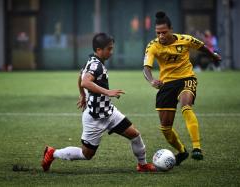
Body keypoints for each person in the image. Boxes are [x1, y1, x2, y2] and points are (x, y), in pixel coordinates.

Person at [41, 33, 156, 172]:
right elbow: (85, 81)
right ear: (99, 49)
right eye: (109, 49)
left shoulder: (92, 61)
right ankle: (52, 153)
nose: (111, 52)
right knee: (86, 154)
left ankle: (142, 164)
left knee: (135, 135)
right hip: (95, 117)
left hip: (109, 112)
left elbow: (81, 76)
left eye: (112, 48)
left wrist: (82, 95)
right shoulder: (97, 66)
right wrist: (107, 92)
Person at [143, 11, 221, 165]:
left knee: (186, 105)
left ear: (171, 29)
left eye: (164, 32)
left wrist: (213, 56)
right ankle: (182, 151)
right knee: (165, 128)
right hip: (166, 84)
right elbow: (146, 68)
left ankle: (197, 147)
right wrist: (152, 80)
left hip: (186, 78)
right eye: (158, 33)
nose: (161, 36)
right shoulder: (153, 46)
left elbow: (202, 47)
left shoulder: (185, 40)